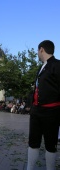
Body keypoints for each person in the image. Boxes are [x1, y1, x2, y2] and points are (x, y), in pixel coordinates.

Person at [27, 40, 60, 170]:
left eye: (37, 51)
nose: (37, 54)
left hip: (52, 112)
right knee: (33, 142)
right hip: (36, 112)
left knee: (50, 144)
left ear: (41, 49)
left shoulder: (57, 65)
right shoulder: (42, 67)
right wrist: (31, 104)